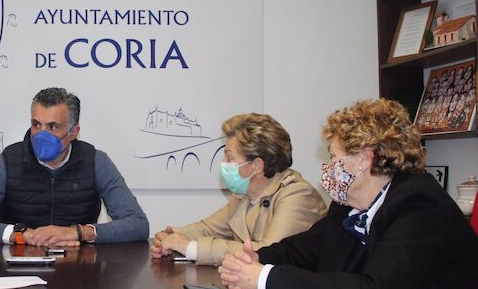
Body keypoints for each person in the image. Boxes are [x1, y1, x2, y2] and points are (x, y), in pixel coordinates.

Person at [220, 99, 478, 289]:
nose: (328, 167)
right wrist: (256, 259)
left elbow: (376, 286)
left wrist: (265, 278)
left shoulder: (419, 205)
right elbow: (304, 250)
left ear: (364, 159)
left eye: (333, 156)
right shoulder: (347, 206)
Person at [0, 87, 149, 246]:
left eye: (52, 127)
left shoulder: (96, 161)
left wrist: (78, 232)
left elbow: (138, 224)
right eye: (36, 125)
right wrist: (21, 235)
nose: (41, 134)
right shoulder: (8, 161)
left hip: (80, 269)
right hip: (18, 269)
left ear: (74, 132)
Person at [150, 113, 327, 265]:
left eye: (229, 157)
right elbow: (207, 229)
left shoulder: (298, 196)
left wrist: (190, 248)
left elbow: (267, 253)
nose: (223, 163)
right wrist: (171, 237)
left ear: (256, 165)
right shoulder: (244, 195)